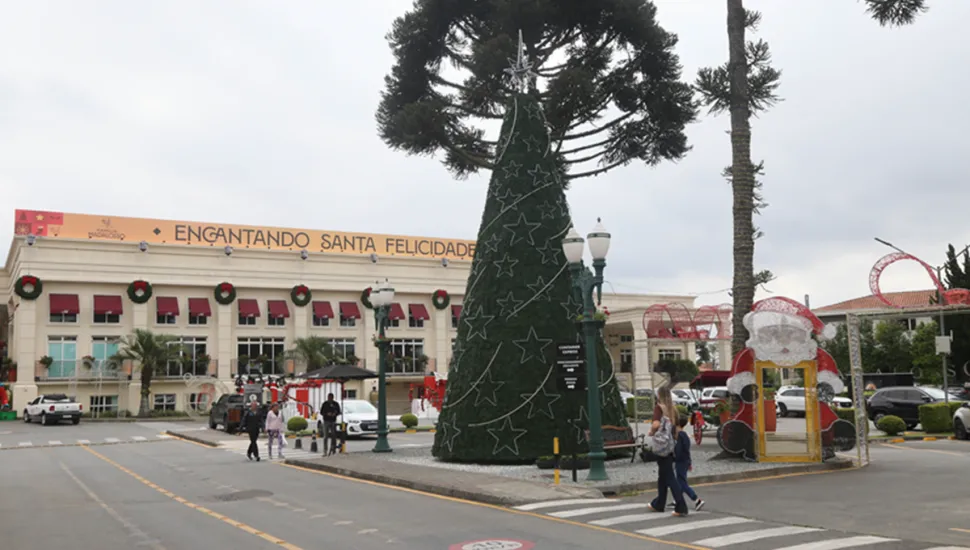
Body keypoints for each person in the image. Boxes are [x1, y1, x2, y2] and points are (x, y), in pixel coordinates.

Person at [647, 386, 688, 517]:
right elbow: (677, 429)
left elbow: (656, 424)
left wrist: (652, 432)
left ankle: (681, 505)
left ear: (659, 395)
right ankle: (659, 503)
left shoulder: (659, 408)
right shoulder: (673, 409)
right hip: (671, 446)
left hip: (661, 446)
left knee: (669, 476)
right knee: (663, 476)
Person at [675, 413, 704, 511]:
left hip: (681, 461)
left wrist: (674, 457)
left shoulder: (680, 436)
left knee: (682, 482)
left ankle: (696, 499)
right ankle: (677, 500)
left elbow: (679, 450)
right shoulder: (685, 436)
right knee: (680, 481)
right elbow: (686, 450)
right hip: (685, 461)